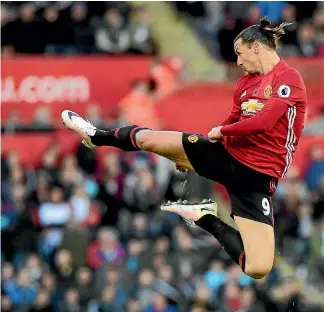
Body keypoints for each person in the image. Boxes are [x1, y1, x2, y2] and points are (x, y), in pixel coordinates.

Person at [61, 17, 307, 279]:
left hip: (256, 178)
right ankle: (96, 135)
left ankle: (205, 218)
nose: (238, 61)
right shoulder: (245, 84)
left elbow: (265, 122)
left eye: (239, 53)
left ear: (256, 47)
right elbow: (233, 119)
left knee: (257, 268)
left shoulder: (288, 78)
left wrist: (222, 131)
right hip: (227, 156)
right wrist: (198, 148)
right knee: (150, 140)